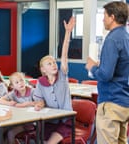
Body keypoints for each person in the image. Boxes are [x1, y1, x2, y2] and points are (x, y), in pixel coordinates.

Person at [85, 2, 129, 143]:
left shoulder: (112, 39)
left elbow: (105, 75)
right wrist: (102, 65)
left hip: (111, 102)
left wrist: (92, 67)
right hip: (124, 102)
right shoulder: (126, 37)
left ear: (112, 17)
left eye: (104, 15)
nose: (103, 19)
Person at [33, 16, 75, 144]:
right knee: (39, 140)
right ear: (43, 70)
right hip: (49, 121)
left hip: (65, 121)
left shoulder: (62, 76)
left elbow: (64, 55)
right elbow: (39, 100)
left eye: (54, 62)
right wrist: (39, 104)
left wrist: (68, 33)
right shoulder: (40, 83)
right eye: (49, 63)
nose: (54, 65)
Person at [0, 72, 35, 144]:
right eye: (17, 82)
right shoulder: (14, 93)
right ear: (12, 86)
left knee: (10, 133)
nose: (20, 83)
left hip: (29, 123)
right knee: (1, 130)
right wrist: (10, 103)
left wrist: (28, 104)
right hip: (17, 121)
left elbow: (40, 102)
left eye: (22, 80)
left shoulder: (32, 91)